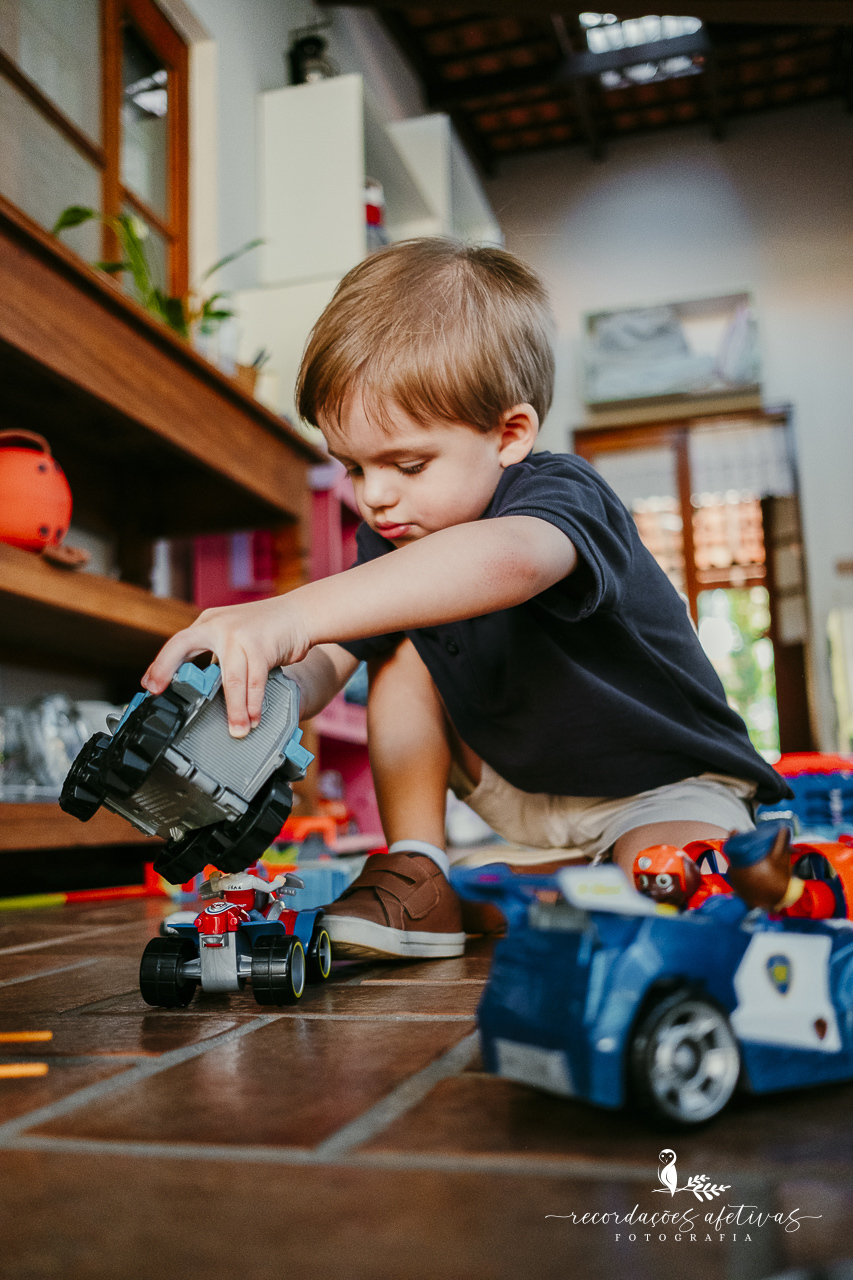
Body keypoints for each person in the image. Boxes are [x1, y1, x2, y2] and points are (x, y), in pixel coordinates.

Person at [143, 239, 791, 961]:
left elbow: (508, 559)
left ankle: (556, 884)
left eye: (407, 463)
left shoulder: (561, 493)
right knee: (397, 660)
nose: (375, 495)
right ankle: (420, 866)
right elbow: (330, 652)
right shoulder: (389, 533)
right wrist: (262, 687)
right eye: (353, 466)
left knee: (677, 886)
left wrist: (290, 610)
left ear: (509, 434)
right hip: (518, 784)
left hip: (661, 784)